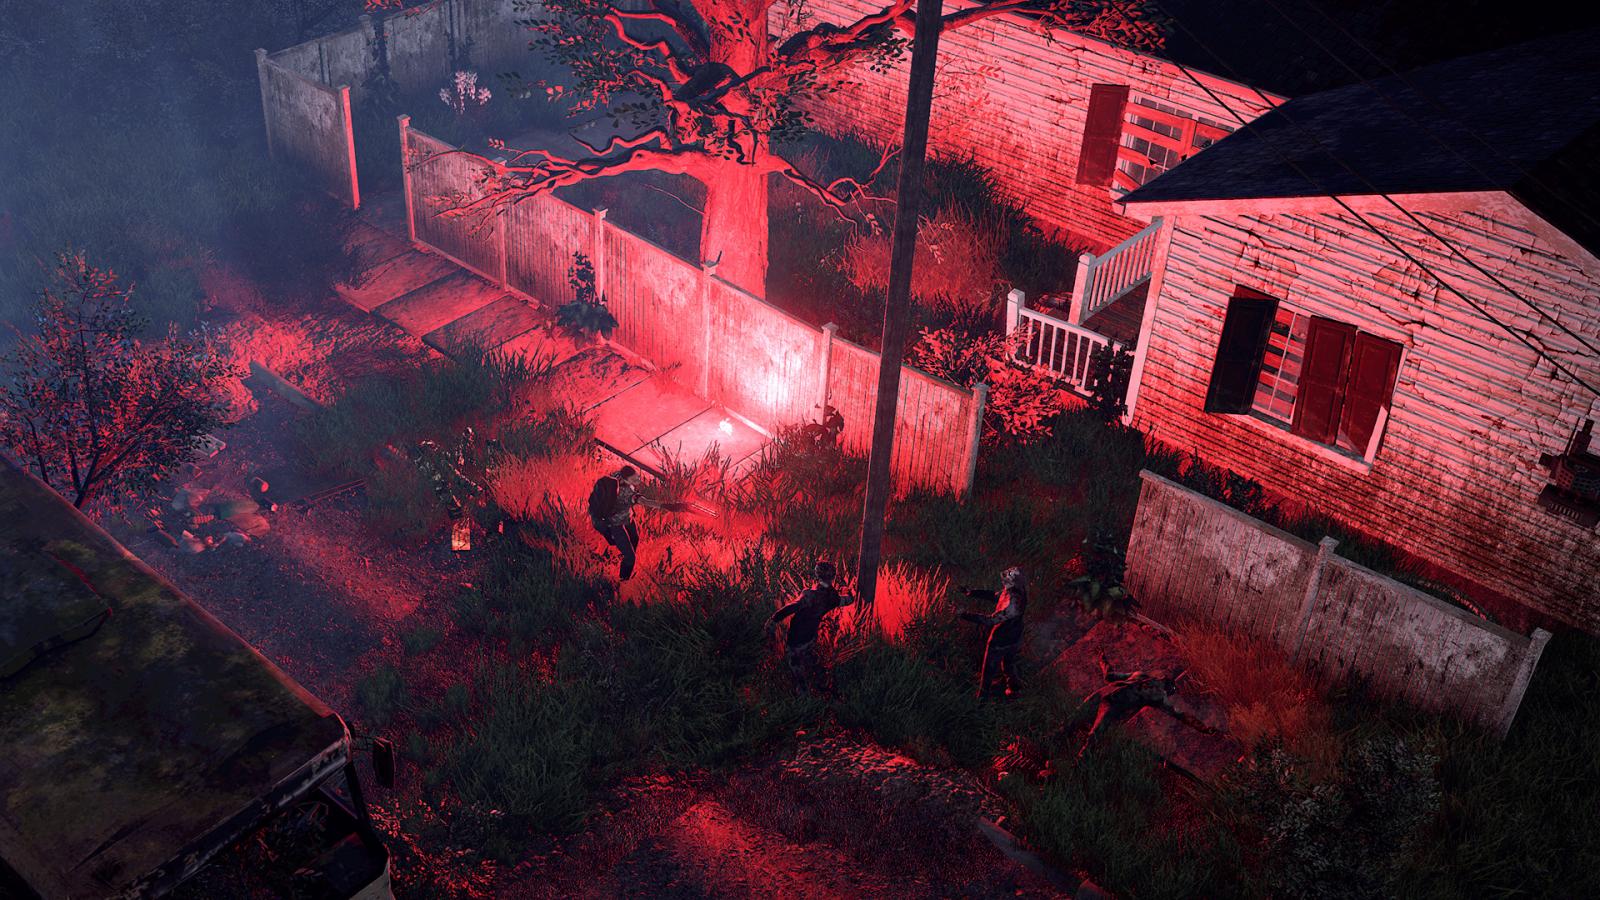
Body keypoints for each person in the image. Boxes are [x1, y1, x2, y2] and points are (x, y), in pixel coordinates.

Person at [1074, 653, 1217, 762]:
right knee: (1076, 725)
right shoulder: (1141, 677)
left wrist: (1202, 727)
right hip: (1104, 696)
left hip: (1110, 704)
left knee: (1092, 733)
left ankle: (1077, 763)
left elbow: (1180, 715)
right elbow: (1110, 676)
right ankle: (1076, 759)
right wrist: (1102, 659)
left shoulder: (1156, 695)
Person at [766, 561, 857, 696]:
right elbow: (848, 600)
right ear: (833, 577)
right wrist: (846, 589)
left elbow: (792, 607)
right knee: (809, 658)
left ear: (817, 575)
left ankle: (804, 696)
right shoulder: (832, 597)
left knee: (795, 665)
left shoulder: (810, 595)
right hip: (811, 636)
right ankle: (822, 685)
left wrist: (773, 620)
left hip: (797, 637)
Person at [588, 465, 681, 581]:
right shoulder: (626, 494)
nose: (638, 480)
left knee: (634, 539)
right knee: (630, 557)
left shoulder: (617, 476)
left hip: (627, 519)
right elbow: (645, 501)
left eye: (637, 476)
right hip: (616, 525)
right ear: (626, 479)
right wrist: (667, 506)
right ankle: (623, 581)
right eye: (634, 479)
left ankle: (619, 557)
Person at [959, 567, 1028, 700]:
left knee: (988, 671)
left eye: (1006, 579)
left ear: (1012, 582)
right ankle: (1014, 689)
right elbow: (996, 596)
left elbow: (990, 620)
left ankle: (982, 700)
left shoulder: (1013, 605)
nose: (1003, 581)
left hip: (1000, 642)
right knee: (1008, 664)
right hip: (1015, 638)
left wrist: (964, 615)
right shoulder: (1017, 591)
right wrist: (972, 592)